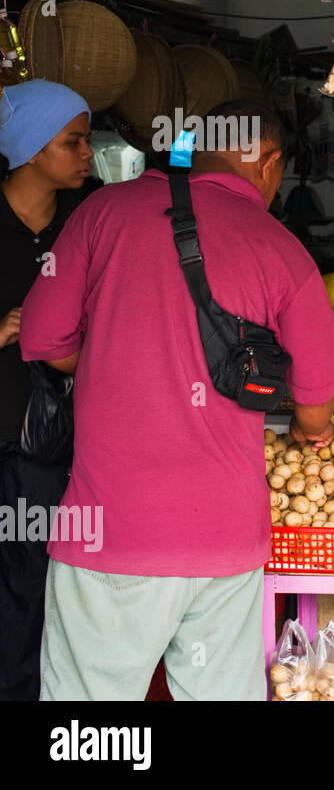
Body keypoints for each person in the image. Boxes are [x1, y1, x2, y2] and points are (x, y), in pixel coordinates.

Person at [21, 98, 334, 701]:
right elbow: (318, 390)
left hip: (107, 534)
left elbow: (41, 338)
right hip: (225, 539)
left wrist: (112, 367)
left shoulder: (101, 211)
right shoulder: (280, 246)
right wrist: (310, 427)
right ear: (270, 163)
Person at [0, 80, 94, 701]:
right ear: (32, 148)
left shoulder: (88, 224)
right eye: (73, 141)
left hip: (65, 442)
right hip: (7, 427)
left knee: (44, 584)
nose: (88, 153)